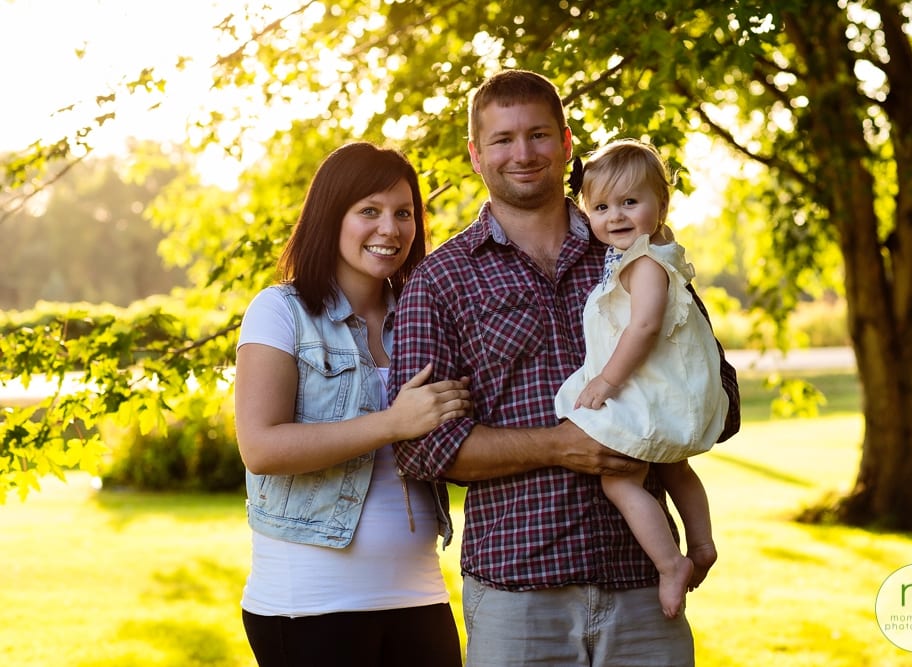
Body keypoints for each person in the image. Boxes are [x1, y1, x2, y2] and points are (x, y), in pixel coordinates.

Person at [390, 70, 739, 666]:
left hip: (643, 587)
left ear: (567, 143)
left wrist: (652, 424)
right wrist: (559, 446)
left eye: (538, 135)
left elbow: (720, 395)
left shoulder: (637, 253)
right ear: (476, 155)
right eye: (501, 140)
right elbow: (422, 449)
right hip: (517, 592)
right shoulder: (441, 281)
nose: (521, 154)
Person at [234, 141, 471, 667]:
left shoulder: (422, 316)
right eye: (369, 211)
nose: (390, 229)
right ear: (330, 217)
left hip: (420, 595)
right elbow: (261, 446)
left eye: (404, 213)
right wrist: (392, 423)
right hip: (310, 605)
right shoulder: (280, 311)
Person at [553, 138, 729, 620]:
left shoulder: (646, 263)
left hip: (648, 388)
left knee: (620, 479)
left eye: (630, 202)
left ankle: (671, 564)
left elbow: (645, 325)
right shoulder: (655, 250)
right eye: (601, 207)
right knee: (675, 469)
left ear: (660, 204)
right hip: (666, 388)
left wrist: (607, 382)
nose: (615, 216)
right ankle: (704, 543)